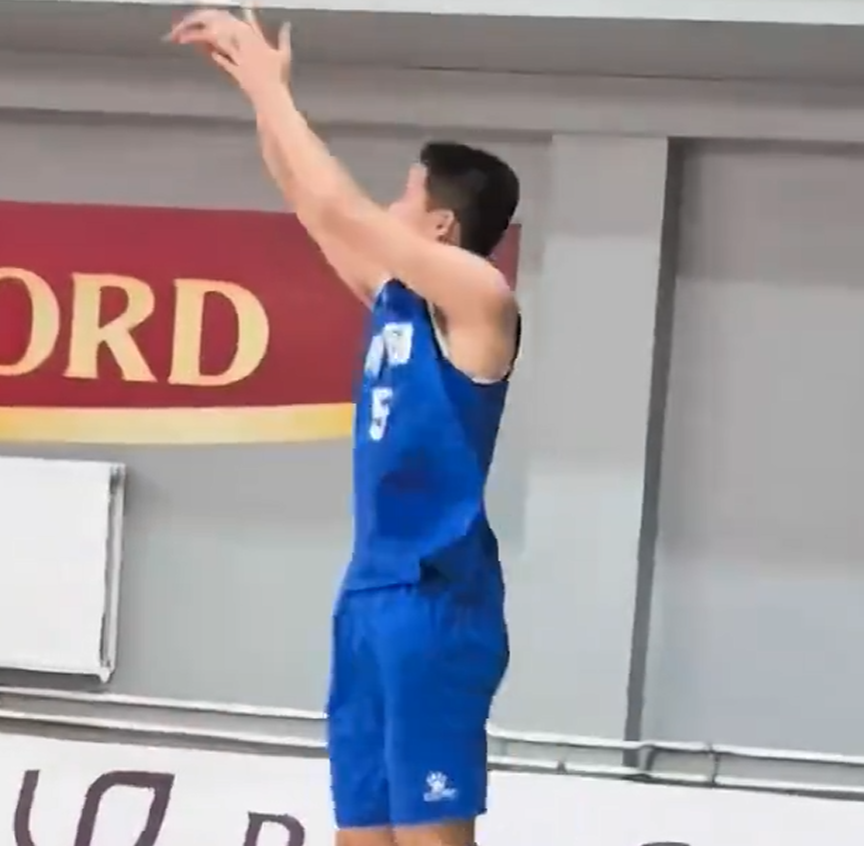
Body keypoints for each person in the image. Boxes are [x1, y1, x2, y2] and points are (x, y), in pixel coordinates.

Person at [169, 9, 521, 846]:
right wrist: (264, 100)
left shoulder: (481, 301)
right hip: (368, 592)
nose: (388, 207)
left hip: (436, 599)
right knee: (359, 834)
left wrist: (270, 86)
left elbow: (342, 204)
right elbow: (312, 203)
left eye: (406, 194)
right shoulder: (399, 298)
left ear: (441, 226)